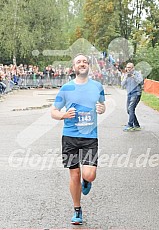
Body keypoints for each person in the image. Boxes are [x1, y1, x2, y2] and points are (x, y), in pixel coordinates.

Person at [51, 53, 106, 225]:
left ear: (89, 66)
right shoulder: (66, 88)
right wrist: (63, 115)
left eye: (85, 62)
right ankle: (77, 209)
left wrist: (102, 108)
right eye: (78, 62)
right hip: (70, 137)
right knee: (74, 175)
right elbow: (53, 111)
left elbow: (102, 105)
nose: (82, 64)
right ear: (74, 68)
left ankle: (87, 181)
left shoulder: (97, 86)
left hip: (90, 136)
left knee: (89, 174)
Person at [121, 62, 143, 132]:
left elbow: (141, 82)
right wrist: (125, 78)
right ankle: (137, 125)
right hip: (129, 94)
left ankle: (130, 125)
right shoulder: (126, 75)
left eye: (130, 67)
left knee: (131, 108)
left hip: (136, 93)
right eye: (127, 67)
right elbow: (122, 85)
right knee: (129, 110)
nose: (128, 69)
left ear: (133, 68)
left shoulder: (137, 74)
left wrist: (134, 76)